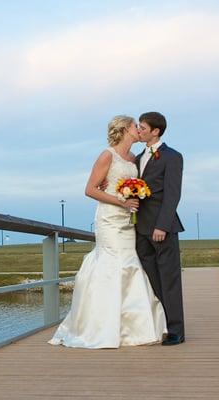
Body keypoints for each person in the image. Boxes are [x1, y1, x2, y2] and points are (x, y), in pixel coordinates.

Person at [49, 115, 167, 349]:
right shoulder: (107, 155)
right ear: (125, 129)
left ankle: (132, 328)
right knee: (112, 265)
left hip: (128, 221)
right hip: (109, 219)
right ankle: (101, 327)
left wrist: (133, 199)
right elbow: (90, 189)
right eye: (135, 126)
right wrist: (120, 201)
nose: (138, 129)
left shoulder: (135, 157)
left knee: (130, 265)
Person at [135, 111, 185, 345]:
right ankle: (159, 325)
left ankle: (176, 331)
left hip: (161, 227)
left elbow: (173, 195)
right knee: (151, 279)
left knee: (169, 279)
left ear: (156, 131)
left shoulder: (173, 157)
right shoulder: (137, 158)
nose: (139, 130)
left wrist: (162, 225)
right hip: (140, 229)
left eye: (143, 127)